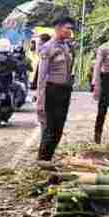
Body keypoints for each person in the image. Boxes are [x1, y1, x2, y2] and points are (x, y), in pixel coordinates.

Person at [37, 17, 77, 161]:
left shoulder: (67, 46)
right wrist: (40, 99)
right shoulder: (48, 48)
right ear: (58, 28)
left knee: (59, 127)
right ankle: (42, 160)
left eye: (71, 28)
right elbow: (42, 76)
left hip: (65, 90)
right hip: (52, 90)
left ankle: (49, 157)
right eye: (67, 28)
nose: (70, 31)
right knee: (50, 128)